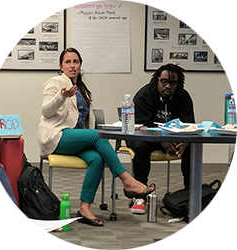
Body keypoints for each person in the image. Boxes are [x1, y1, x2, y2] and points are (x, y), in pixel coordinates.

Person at [37, 47, 155, 226]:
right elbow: (45, 111)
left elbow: (84, 121)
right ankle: (128, 181)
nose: (72, 65)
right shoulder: (54, 83)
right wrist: (61, 96)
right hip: (57, 137)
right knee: (99, 136)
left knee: (97, 159)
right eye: (68, 62)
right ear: (60, 65)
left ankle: (84, 208)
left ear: (80, 65)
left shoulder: (82, 89)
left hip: (75, 139)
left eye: (75, 61)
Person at [126, 64, 195, 214]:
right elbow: (141, 126)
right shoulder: (144, 95)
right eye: (164, 81)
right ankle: (141, 193)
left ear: (178, 84)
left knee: (193, 146)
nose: (168, 86)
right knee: (142, 146)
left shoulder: (183, 97)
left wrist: (186, 141)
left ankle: (189, 193)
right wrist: (160, 139)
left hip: (171, 139)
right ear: (156, 80)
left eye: (173, 83)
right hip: (143, 137)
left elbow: (189, 125)